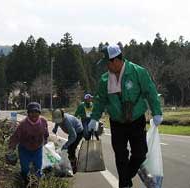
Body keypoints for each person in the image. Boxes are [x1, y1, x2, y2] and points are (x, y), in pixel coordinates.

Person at [88, 44, 163, 188]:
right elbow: (100, 100)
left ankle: (125, 179)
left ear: (115, 60)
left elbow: (150, 92)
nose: (106, 67)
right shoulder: (105, 80)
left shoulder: (138, 72)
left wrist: (157, 112)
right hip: (117, 123)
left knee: (140, 154)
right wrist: (94, 118)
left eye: (107, 63)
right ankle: (125, 184)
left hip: (136, 120)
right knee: (120, 156)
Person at [8, 102, 49, 184]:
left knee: (38, 168)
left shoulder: (43, 122)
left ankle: (37, 183)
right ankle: (25, 182)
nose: (34, 115)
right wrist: (11, 148)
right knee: (25, 169)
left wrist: (46, 143)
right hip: (24, 149)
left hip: (38, 149)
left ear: (39, 113)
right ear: (28, 113)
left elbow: (46, 134)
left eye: (36, 112)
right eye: (31, 112)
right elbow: (15, 137)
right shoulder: (23, 124)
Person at [52, 109, 84, 174]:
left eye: (60, 121)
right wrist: (55, 128)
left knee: (71, 148)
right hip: (72, 133)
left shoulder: (67, 122)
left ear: (63, 117)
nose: (59, 122)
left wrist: (66, 145)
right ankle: (69, 164)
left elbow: (74, 136)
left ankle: (74, 165)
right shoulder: (59, 118)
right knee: (69, 148)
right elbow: (57, 122)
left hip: (78, 132)